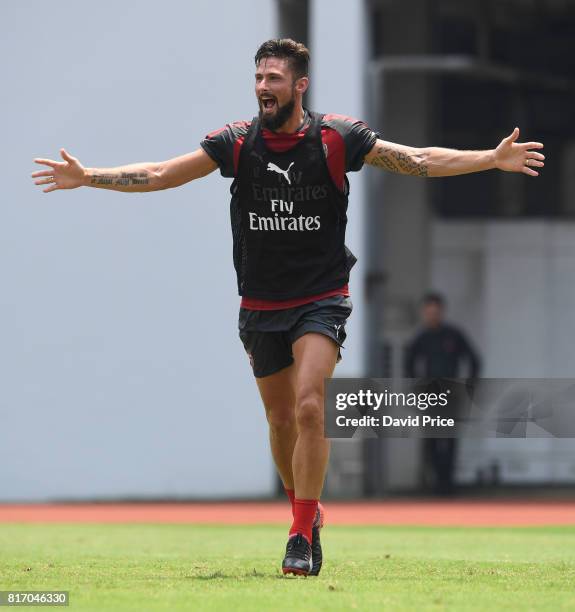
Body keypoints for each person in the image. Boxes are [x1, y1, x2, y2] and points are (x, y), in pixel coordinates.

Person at [31, 39, 544, 576]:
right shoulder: (235, 142)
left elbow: (415, 160)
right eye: (258, 77)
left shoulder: (336, 137)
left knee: (308, 406)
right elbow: (162, 173)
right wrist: (89, 177)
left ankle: (299, 535)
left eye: (274, 78)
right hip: (260, 303)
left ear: (300, 85)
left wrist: (491, 158)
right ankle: (307, 508)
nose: (262, 87)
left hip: (322, 297)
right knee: (279, 421)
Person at [404, 292, 482, 495]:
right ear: (424, 313)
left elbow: (474, 360)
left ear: (442, 312)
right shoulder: (421, 338)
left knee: (450, 439)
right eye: (429, 312)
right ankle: (435, 483)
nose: (432, 316)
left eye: (436, 312)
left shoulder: (454, 335)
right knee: (431, 440)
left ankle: (448, 483)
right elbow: (409, 364)